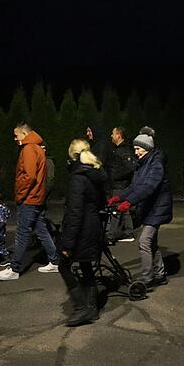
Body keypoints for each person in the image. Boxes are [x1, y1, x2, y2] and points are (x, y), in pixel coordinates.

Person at [108, 126, 173, 289]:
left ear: (146, 148)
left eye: (138, 149)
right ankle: (160, 274)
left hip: (157, 208)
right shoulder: (143, 163)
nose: (135, 152)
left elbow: (148, 187)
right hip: (151, 208)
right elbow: (135, 186)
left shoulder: (156, 164)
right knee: (151, 243)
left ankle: (147, 278)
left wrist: (129, 203)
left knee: (144, 241)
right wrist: (119, 197)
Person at [0, 123, 59, 281]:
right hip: (36, 198)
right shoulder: (37, 148)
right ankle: (55, 261)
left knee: (22, 234)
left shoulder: (29, 148)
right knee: (41, 230)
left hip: (29, 199)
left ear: (24, 133)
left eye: (16, 135)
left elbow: (28, 176)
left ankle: (14, 269)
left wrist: (20, 195)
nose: (15, 139)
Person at [58, 139, 107, 326]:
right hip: (93, 226)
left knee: (63, 265)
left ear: (72, 156)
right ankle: (92, 309)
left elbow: (74, 212)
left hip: (82, 229)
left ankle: (81, 308)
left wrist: (67, 243)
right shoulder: (95, 173)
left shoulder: (78, 177)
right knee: (86, 266)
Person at [105, 126, 136, 243]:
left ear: (118, 135)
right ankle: (128, 232)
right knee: (124, 209)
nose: (111, 136)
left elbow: (131, 167)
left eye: (113, 133)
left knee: (115, 210)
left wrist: (116, 176)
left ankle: (110, 235)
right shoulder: (120, 150)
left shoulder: (123, 151)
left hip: (120, 185)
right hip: (120, 184)